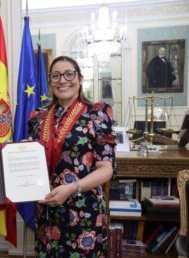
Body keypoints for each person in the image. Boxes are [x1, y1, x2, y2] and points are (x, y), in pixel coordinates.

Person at [28, 56, 116, 257]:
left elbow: (106, 169)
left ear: (80, 78)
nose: (63, 80)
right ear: (50, 82)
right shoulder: (38, 117)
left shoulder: (97, 114)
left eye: (69, 74)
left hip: (84, 208)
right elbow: (26, 156)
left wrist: (71, 188)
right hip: (48, 210)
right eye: (56, 76)